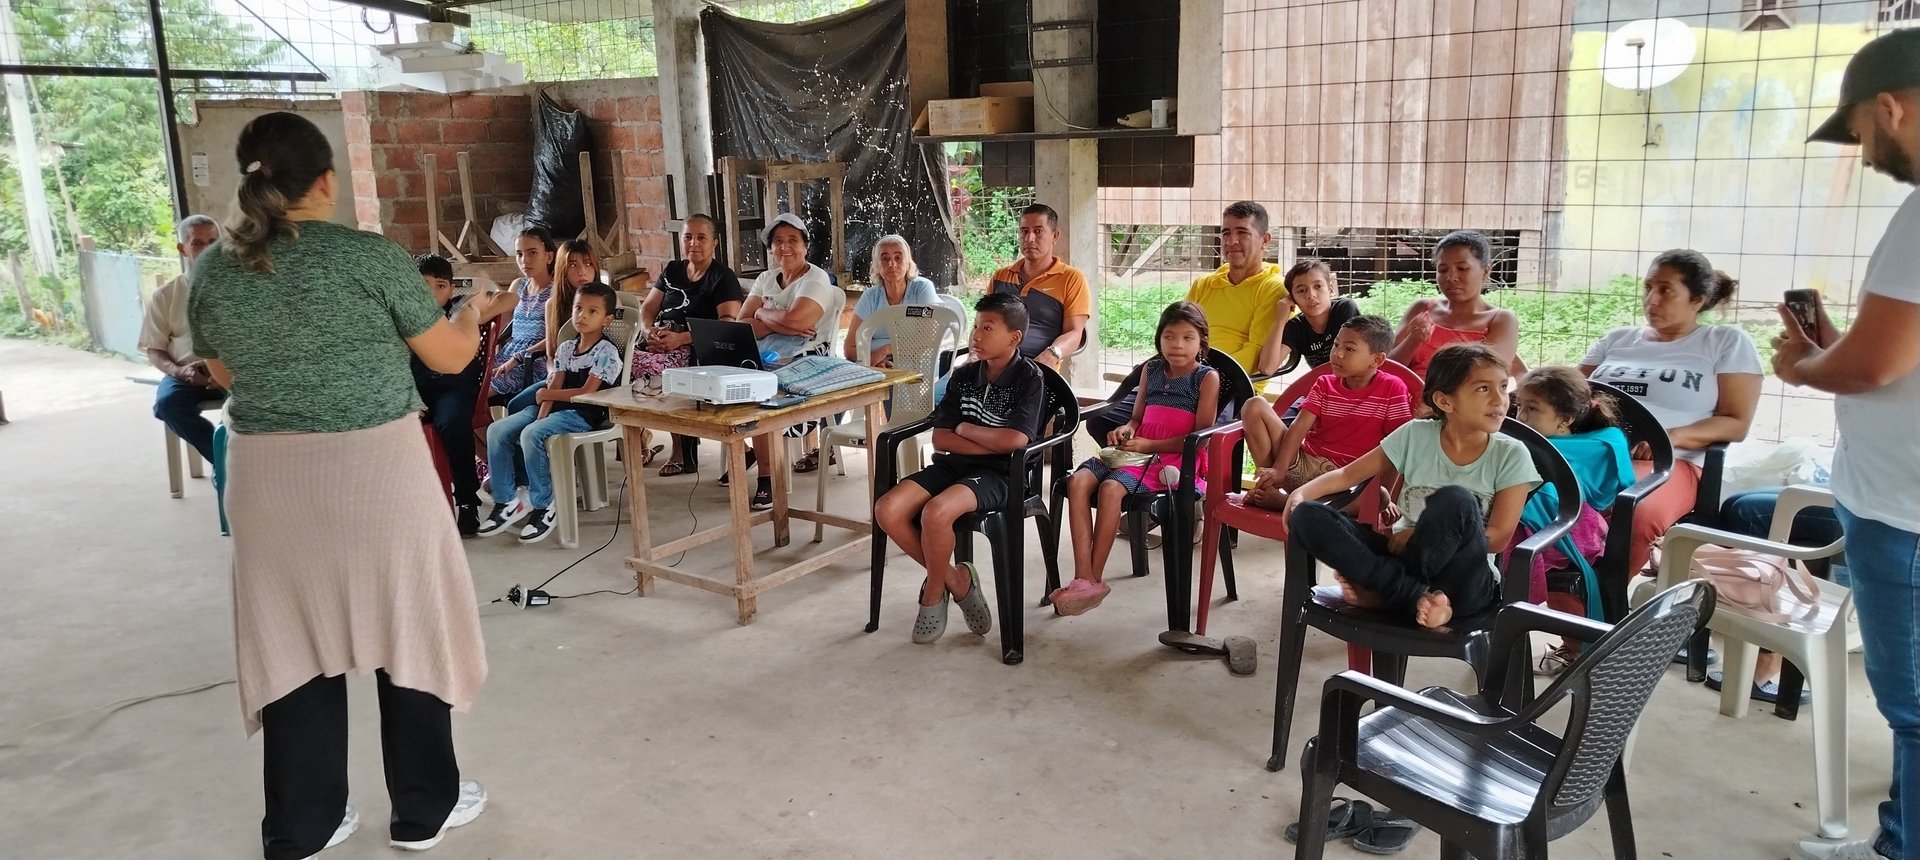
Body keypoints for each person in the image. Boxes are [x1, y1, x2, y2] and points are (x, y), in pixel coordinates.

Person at [185, 111, 487, 859]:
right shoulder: (370, 258)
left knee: (291, 638)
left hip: (270, 479)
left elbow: (224, 373)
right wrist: (474, 315)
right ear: (326, 181)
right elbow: (448, 359)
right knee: (407, 622)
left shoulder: (212, 272)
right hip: (376, 470)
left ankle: (304, 822)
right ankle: (421, 810)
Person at [1773, 29, 1920, 860]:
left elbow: (1870, 367)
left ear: (1890, 107)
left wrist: (1804, 362)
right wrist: (1834, 347)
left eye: (1862, 132)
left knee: (1915, 711)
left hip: (1905, 512)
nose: (1866, 155)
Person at [1281, 343, 1541, 629]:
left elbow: (1500, 537)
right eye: (1483, 389)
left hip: (1464, 584)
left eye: (1503, 387)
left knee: (1456, 500)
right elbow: (1346, 476)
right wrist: (1300, 493)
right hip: (1404, 562)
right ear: (1445, 402)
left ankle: (1386, 592)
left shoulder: (1511, 454)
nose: (1499, 400)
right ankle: (1411, 596)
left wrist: (1424, 535)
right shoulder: (1416, 434)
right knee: (1308, 515)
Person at [1578, 249, 1762, 580]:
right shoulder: (1618, 339)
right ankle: (1552, 605)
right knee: (1531, 495)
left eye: (1665, 290)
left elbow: (1736, 422)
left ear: (1698, 299)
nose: (1651, 299)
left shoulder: (1723, 342)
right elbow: (1570, 394)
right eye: (1648, 287)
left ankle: (1604, 609)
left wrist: (1669, 437)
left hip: (1667, 462)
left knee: (1634, 511)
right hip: (1594, 452)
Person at [873, 293, 1045, 644]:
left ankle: (933, 595)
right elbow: (941, 439)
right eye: (976, 326)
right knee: (887, 509)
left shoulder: (1030, 379)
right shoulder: (965, 374)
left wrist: (967, 430)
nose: (976, 336)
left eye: (988, 328)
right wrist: (984, 438)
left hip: (1000, 474)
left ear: (1014, 337)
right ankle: (958, 581)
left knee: (936, 513)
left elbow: (1015, 442)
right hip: (953, 465)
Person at [1054, 301, 1221, 616]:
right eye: (1169, 336)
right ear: (1159, 338)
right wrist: (1126, 430)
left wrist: (1150, 446)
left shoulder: (1206, 378)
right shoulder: (1152, 369)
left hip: (1170, 459)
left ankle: (1095, 577)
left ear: (1202, 341)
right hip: (1135, 449)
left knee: (1110, 489)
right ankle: (1083, 577)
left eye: (1187, 337)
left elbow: (1200, 438)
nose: (1177, 345)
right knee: (1077, 481)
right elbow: (1136, 418)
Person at [1086, 201, 1285, 443]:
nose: (1231, 241)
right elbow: (1178, 330)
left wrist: (1197, 374)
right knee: (1102, 420)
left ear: (1265, 239)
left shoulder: (1273, 289)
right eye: (1226, 233)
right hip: (1180, 374)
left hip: (1228, 386)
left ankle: (1165, 473)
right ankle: (1142, 474)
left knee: (1189, 437)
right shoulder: (1205, 284)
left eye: (1242, 233)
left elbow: (1254, 354)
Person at [1509, 367, 1634, 676]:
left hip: (1575, 529)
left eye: (1533, 409)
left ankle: (1575, 647)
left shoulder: (1595, 447)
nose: (1521, 416)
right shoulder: (1519, 442)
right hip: (1529, 521)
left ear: (1565, 418)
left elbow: (1601, 495)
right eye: (1520, 406)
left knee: (1519, 548)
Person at [477, 283, 624, 545]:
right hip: (555, 407)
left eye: (592, 311)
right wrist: (542, 413)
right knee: (497, 430)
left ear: (607, 319)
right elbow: (554, 384)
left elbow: (586, 392)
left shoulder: (607, 352)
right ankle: (506, 499)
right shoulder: (567, 348)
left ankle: (544, 504)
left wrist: (546, 398)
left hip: (582, 414)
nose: (582, 315)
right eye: (579, 308)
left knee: (532, 433)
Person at [1239, 315, 1411, 512]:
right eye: (1336, 345)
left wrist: (1388, 497)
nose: (1337, 353)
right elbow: (1299, 427)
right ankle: (1270, 487)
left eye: (1349, 348)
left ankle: (1287, 503)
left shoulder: (1392, 388)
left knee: (1379, 497)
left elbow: (1398, 446)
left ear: (1377, 359)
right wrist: (1279, 469)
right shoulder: (1325, 383)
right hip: (1302, 468)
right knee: (1254, 405)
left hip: (1346, 482)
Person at [735, 212, 841, 508]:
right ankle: (760, 454)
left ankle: (767, 477)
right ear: (770, 249)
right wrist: (775, 319)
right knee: (741, 380)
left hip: (809, 355)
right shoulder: (766, 279)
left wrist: (763, 313)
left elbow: (800, 320)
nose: (785, 247)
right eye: (778, 241)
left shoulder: (816, 278)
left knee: (763, 391)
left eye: (792, 240)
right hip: (765, 353)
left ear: (805, 246)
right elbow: (742, 324)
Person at [638, 213, 746, 477]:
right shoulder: (673, 270)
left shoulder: (722, 278)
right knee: (625, 365)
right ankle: (638, 440)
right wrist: (648, 329)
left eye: (701, 238)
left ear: (714, 244)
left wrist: (681, 338)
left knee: (664, 371)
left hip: (701, 347)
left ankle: (681, 452)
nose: (693, 244)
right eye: (688, 237)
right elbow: (649, 306)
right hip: (663, 342)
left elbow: (726, 325)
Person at [412, 253, 488, 537]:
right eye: (423, 285)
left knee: (452, 423)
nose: (432, 293)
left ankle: (467, 501)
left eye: (441, 286)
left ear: (452, 289)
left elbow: (489, 288)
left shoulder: (459, 311)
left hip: (452, 391)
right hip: (417, 392)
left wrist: (467, 306)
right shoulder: (402, 317)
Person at [140, 213, 224, 462]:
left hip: (234, 372)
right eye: (198, 243)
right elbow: (154, 349)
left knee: (264, 400)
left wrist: (227, 372)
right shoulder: (165, 296)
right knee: (168, 405)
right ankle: (224, 462)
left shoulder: (241, 289)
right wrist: (179, 372)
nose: (207, 249)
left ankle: (247, 461)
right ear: (182, 249)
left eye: (213, 242)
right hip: (186, 374)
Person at [1388, 230, 1520, 377]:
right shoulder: (1422, 309)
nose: (1451, 277)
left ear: (1486, 272)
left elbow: (1486, 378)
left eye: (1462, 268)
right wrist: (1413, 340)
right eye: (1443, 270)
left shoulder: (1501, 320)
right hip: (1402, 398)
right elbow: (1387, 368)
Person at [989, 203, 1090, 370]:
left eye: (1038, 231)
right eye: (1024, 231)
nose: (1029, 238)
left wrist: (1052, 354)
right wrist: (974, 355)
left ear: (1055, 236)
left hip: (1037, 371)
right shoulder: (1001, 276)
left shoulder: (1072, 279)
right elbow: (982, 324)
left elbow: (1074, 333)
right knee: (942, 391)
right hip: (992, 367)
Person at [485, 226, 559, 408]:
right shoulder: (517, 285)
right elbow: (501, 325)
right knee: (466, 380)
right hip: (507, 353)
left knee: (483, 391)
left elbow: (555, 337)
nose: (525, 260)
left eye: (532, 253)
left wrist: (519, 357)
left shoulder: (556, 289)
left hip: (534, 359)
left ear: (548, 256)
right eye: (519, 254)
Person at [845, 234, 938, 367]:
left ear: (908, 263)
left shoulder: (921, 288)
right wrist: (874, 360)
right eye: (885, 259)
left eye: (898, 258)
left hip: (916, 366)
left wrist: (887, 350)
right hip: (877, 367)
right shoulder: (870, 297)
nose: (892, 264)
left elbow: (931, 336)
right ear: (877, 266)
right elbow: (849, 348)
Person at [1259, 258, 1364, 377]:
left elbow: (1356, 359)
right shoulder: (1297, 327)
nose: (1310, 295)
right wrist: (1280, 320)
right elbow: (1266, 368)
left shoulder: (1344, 309)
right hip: (1325, 388)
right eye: (1301, 291)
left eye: (1318, 286)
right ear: (1292, 298)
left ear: (1330, 288)